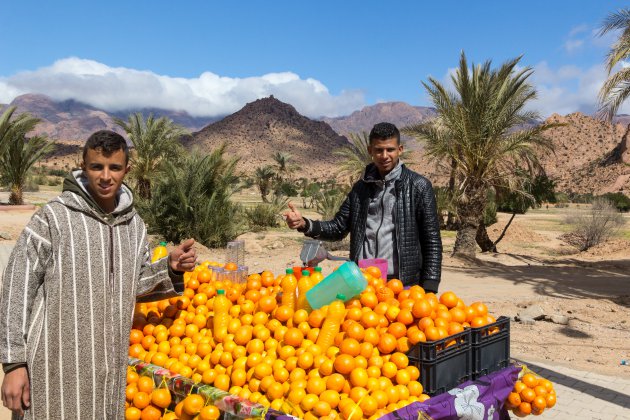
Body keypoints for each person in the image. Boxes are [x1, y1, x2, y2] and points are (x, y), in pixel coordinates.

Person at [0, 130, 197, 419]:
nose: (105, 176)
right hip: (52, 368)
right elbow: (17, 286)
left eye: (114, 167)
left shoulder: (135, 226)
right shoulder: (54, 217)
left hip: (108, 370)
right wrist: (13, 364)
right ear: (83, 166)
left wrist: (170, 267)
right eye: (96, 167)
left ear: (126, 170)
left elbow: (135, 284)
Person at [285, 122, 442, 292]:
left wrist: (430, 287)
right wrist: (304, 224)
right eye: (378, 150)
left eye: (390, 149)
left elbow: (431, 240)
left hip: (402, 284)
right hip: (361, 280)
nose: (384, 155)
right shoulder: (360, 189)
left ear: (400, 149)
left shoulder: (418, 186)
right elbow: (338, 227)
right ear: (370, 151)